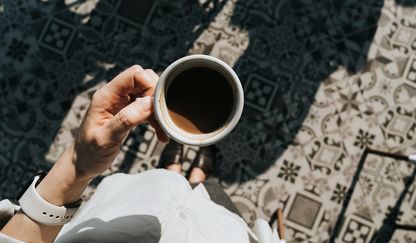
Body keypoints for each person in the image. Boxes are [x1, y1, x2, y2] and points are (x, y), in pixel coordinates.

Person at [0, 66, 253, 243]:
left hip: (128, 211)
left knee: (161, 184)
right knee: (211, 191)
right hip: (219, 231)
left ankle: (170, 173)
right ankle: (195, 178)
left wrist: (78, 164)